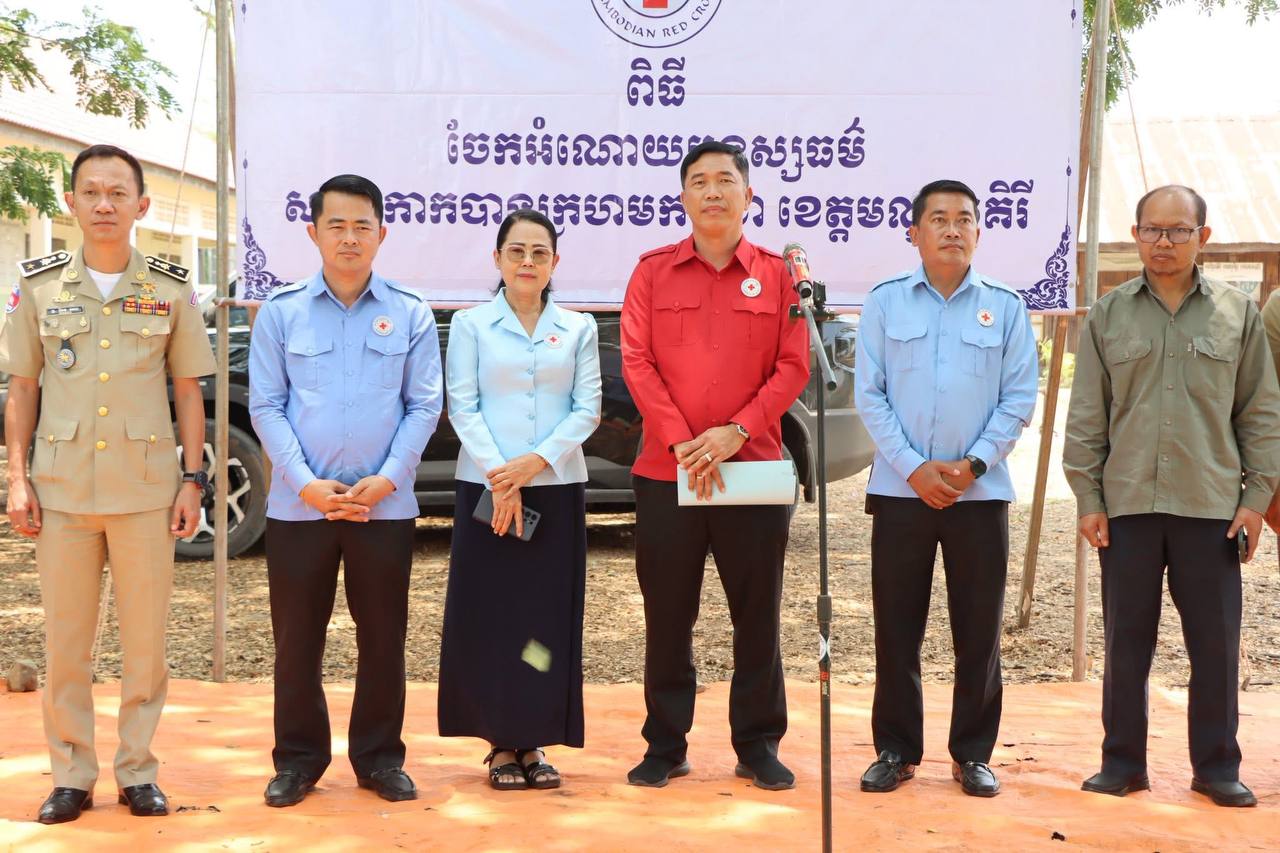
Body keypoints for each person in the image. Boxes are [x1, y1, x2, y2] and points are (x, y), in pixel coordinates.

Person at [1, 144, 216, 824]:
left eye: (118, 193)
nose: (103, 204)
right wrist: (16, 478)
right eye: (90, 191)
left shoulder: (170, 288)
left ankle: (137, 771)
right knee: (66, 643)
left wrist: (192, 479)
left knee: (145, 644)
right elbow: (22, 388)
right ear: (70, 202)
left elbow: (188, 391)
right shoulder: (38, 287)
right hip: (61, 491)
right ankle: (71, 775)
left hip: (145, 491)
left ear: (140, 205)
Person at [1064, 184, 1280, 808]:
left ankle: (1216, 768)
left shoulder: (1237, 316)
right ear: (1135, 235)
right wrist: (1088, 497)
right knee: (1126, 643)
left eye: (1178, 230)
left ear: (1201, 237)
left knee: (1215, 645)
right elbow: (1088, 416)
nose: (1164, 241)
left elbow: (1261, 413)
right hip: (1127, 505)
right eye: (1152, 230)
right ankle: (1122, 763)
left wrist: (1256, 498)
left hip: (1212, 508)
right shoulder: (1108, 315)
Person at [620, 140, 809, 791]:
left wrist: (736, 432)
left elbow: (794, 365)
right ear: (683, 197)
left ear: (748, 195)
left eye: (725, 180)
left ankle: (757, 742)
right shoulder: (652, 272)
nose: (712, 191)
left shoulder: (778, 275)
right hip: (666, 472)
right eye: (698, 181)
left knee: (756, 615)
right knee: (668, 615)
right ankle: (665, 742)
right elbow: (637, 361)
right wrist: (682, 442)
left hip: (750, 470)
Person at [248, 174, 442, 807]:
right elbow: (266, 405)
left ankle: (380, 759)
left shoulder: (410, 312)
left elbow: (424, 405)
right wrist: (305, 485)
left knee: (382, 638)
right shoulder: (282, 311)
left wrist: (387, 479)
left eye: (363, 226)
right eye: (337, 225)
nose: (350, 237)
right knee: (296, 640)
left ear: (382, 233)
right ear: (313, 232)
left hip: (383, 507)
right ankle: (298, 760)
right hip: (299, 507)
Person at [853, 179, 1038, 798]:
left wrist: (974, 464)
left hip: (978, 496)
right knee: (896, 628)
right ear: (914, 232)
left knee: (979, 631)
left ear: (979, 231)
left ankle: (973, 753)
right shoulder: (885, 302)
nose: (952, 229)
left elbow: (1019, 396)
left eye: (964, 218)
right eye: (938, 218)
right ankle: (896, 749)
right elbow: (870, 396)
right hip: (901, 493)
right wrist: (914, 468)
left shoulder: (1006, 306)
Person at [437, 208, 602, 790]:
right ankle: (499, 743)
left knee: (544, 621)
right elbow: (462, 406)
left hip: (555, 489)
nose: (527, 261)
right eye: (516, 251)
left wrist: (534, 463)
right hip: (485, 491)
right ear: (498, 259)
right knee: (492, 615)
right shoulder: (470, 325)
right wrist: (501, 477)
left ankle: (534, 740)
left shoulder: (577, 327)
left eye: (539, 252)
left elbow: (587, 409)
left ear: (555, 262)